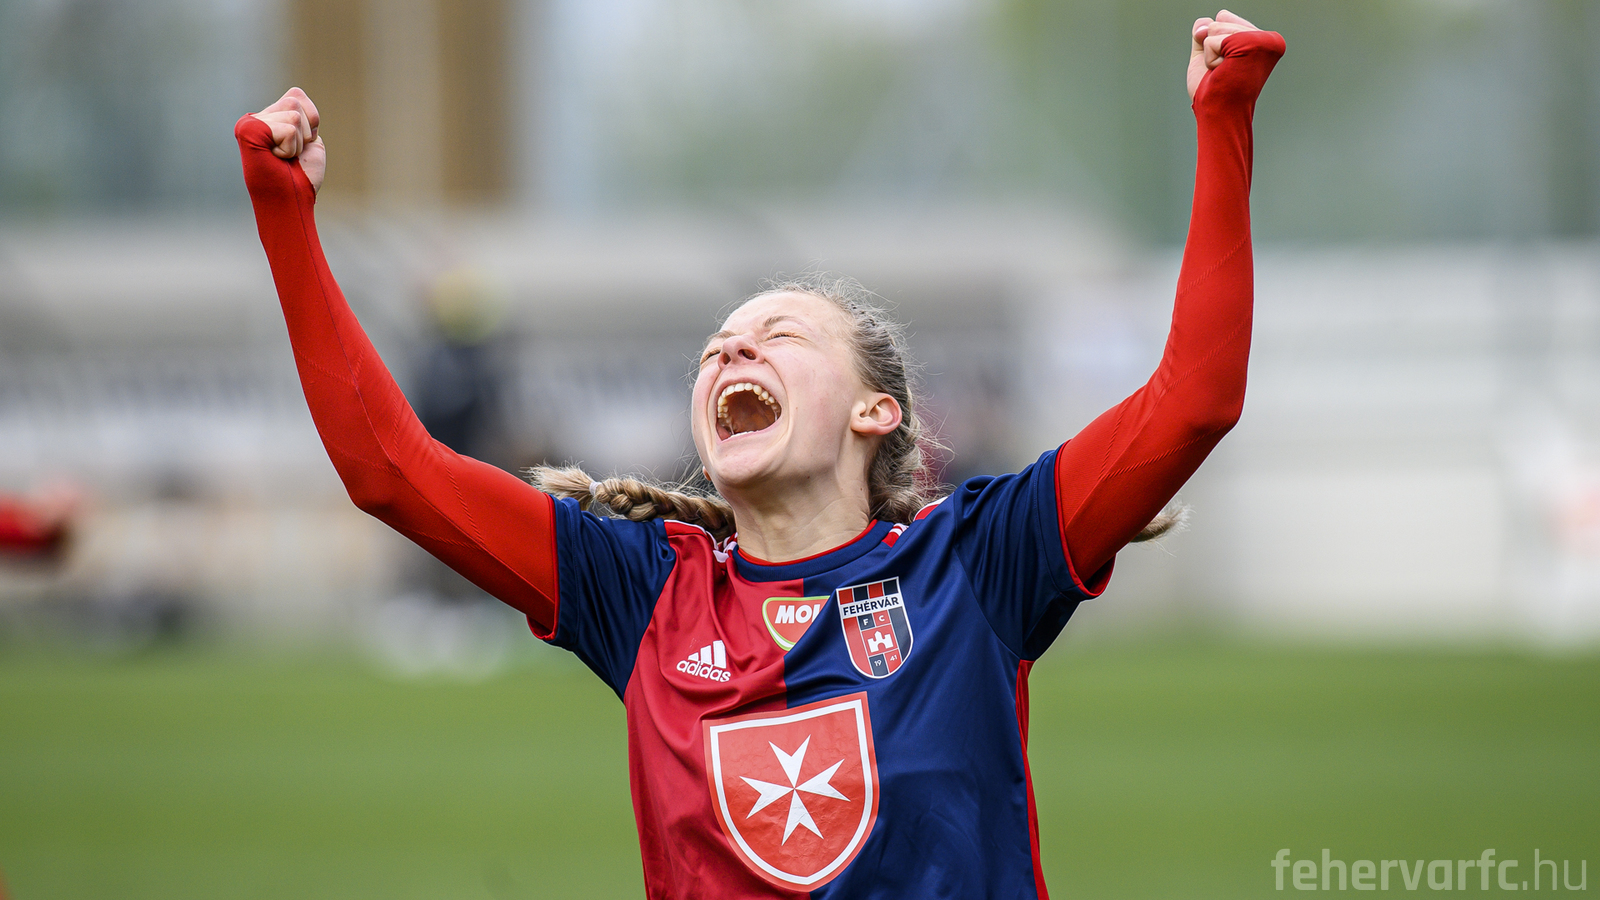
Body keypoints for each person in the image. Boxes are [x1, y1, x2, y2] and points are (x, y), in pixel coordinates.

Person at [235, 11, 1282, 898]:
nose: (732, 350)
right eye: (716, 347)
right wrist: (286, 215)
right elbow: (389, 469)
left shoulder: (975, 560)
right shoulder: (640, 592)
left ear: (876, 412)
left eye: (780, 335)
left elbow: (1193, 401)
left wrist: (1221, 117)